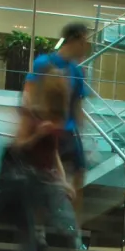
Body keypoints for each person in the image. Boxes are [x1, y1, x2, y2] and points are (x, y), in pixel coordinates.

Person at [3, 68, 75, 251]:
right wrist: (37, 135)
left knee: (47, 240)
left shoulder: (57, 115)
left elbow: (53, 152)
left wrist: (64, 181)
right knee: (30, 243)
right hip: (25, 184)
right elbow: (17, 146)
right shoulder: (30, 112)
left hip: (44, 184)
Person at [25, 23, 90, 210]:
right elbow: (29, 93)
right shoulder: (44, 63)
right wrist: (34, 123)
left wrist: (82, 131)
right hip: (46, 127)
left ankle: (72, 222)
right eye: (84, 41)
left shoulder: (76, 71)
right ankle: (41, 219)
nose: (86, 46)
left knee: (79, 170)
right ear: (74, 39)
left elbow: (77, 104)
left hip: (67, 130)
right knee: (45, 174)